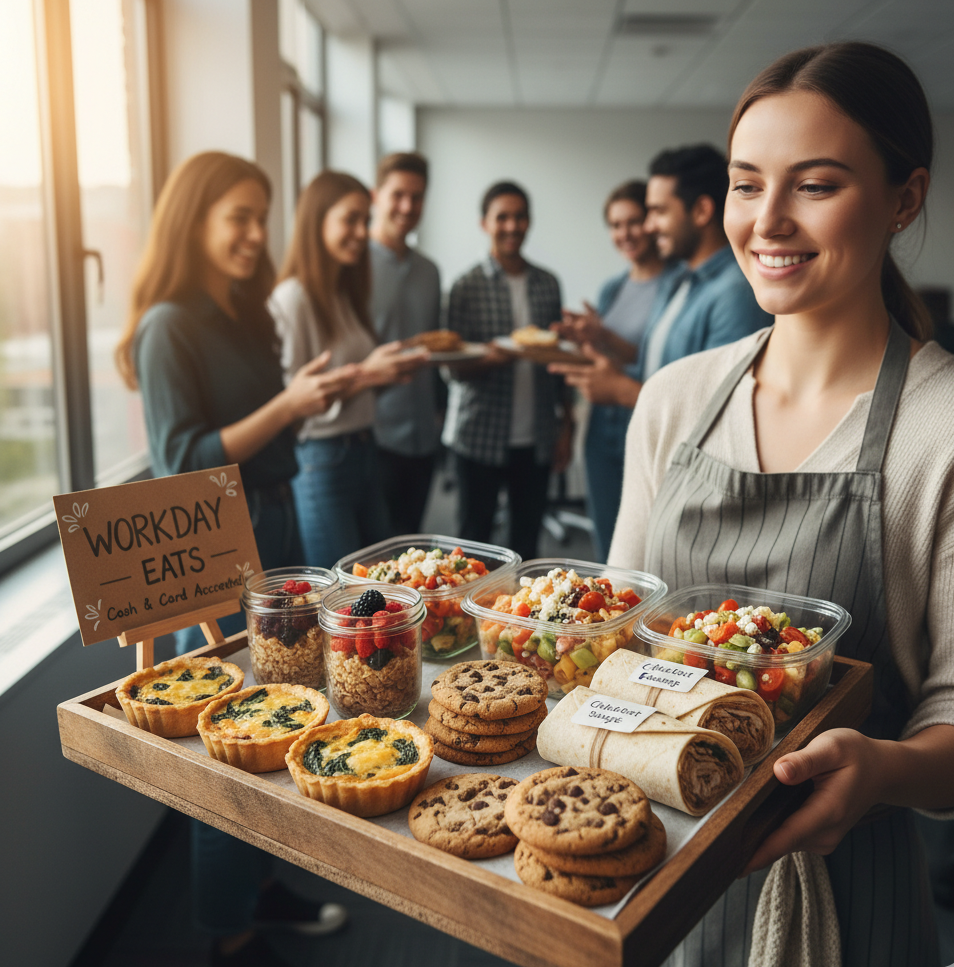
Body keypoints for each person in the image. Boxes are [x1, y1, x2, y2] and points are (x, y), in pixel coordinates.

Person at [608, 42, 954, 967]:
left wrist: (881, 768)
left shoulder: (942, 428)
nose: (767, 221)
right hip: (648, 868)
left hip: (846, 893)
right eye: (746, 184)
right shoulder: (675, 399)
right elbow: (607, 644)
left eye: (816, 185)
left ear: (905, 198)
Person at [116, 151, 349, 967]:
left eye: (262, 215)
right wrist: (289, 403)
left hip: (275, 525)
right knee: (229, 741)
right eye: (239, 217)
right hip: (216, 545)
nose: (257, 234)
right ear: (194, 220)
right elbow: (184, 457)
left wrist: (314, 394)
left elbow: (268, 432)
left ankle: (259, 887)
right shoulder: (168, 325)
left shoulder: (243, 313)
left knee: (284, 714)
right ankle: (228, 929)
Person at [549, 147, 770, 546]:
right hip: (642, 447)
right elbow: (663, 370)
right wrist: (605, 367)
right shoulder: (680, 282)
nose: (649, 227)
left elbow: (724, 410)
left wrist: (620, 389)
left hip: (684, 470)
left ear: (701, 212)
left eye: (657, 212)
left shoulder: (735, 293)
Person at [270, 170, 427, 569]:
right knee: (343, 601)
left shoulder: (343, 293)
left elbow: (354, 387)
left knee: (379, 585)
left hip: (363, 451)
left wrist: (386, 374)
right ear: (316, 220)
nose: (362, 232)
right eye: (350, 220)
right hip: (323, 461)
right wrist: (368, 374)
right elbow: (292, 402)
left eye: (365, 219)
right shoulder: (293, 299)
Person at [442, 181, 572, 561]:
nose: (512, 226)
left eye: (519, 217)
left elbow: (558, 365)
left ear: (528, 222)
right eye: (502, 217)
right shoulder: (465, 287)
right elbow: (451, 371)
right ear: (485, 223)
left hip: (536, 438)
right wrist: (493, 359)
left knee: (527, 544)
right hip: (478, 434)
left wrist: (566, 426)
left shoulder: (547, 284)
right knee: (473, 543)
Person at [548, 180, 667, 561]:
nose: (624, 233)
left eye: (633, 221)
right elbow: (606, 354)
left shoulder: (678, 283)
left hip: (644, 416)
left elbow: (656, 356)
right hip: (603, 425)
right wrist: (583, 338)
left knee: (645, 541)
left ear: (651, 222)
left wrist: (607, 336)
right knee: (606, 538)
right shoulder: (612, 288)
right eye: (615, 225)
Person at [368, 152, 443, 534]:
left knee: (412, 545)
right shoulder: (354, 266)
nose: (407, 206)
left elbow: (435, 351)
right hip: (373, 437)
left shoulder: (430, 272)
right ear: (375, 195)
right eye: (397, 195)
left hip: (423, 439)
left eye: (417, 197)